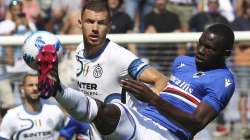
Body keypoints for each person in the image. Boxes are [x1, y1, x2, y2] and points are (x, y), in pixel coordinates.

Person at [38, 23, 236, 140]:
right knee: (104, 111)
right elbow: (167, 96)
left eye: (210, 48)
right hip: (143, 118)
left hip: (167, 135)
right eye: (200, 43)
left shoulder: (224, 81)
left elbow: (196, 124)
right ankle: (56, 89)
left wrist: (153, 99)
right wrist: (143, 98)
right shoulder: (183, 62)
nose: (201, 50)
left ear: (226, 53)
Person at [55, 0, 167, 140]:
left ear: (109, 26)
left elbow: (161, 80)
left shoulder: (118, 56)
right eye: (90, 21)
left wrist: (150, 105)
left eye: (101, 23)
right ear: (80, 23)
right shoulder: (79, 51)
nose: (95, 28)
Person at [0, 72, 66, 140]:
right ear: (22, 88)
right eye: (30, 85)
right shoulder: (12, 115)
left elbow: (67, 133)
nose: (35, 88)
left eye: (37, 85)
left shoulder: (55, 111)